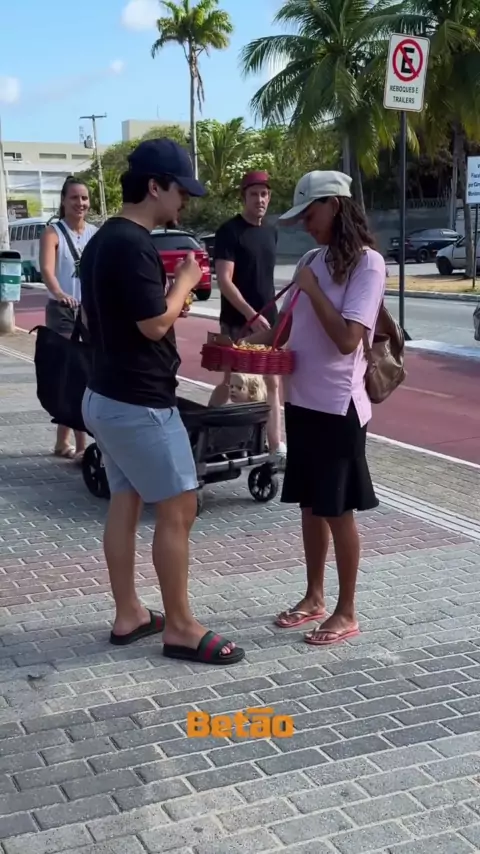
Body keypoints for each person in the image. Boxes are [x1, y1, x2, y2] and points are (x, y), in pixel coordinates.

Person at [79, 138, 244, 666]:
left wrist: (171, 298)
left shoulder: (103, 240)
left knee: (125, 500)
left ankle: (129, 613)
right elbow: (153, 324)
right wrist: (184, 283)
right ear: (155, 186)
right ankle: (180, 627)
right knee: (179, 506)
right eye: (181, 190)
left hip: (105, 394)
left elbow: (109, 316)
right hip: (140, 402)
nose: (186, 201)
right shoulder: (133, 244)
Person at [245, 170, 385, 646]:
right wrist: (244, 343)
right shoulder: (312, 259)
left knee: (337, 509)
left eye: (311, 214)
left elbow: (348, 339)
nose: (306, 225)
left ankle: (347, 611)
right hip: (302, 400)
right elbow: (285, 327)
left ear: (336, 206)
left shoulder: (368, 264)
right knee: (309, 505)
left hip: (339, 406)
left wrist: (313, 287)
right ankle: (314, 596)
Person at [212, 170, 286, 467]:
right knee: (231, 384)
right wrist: (249, 314)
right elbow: (224, 280)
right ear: (244, 197)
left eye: (264, 194)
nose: (260, 199)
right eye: (254, 194)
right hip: (238, 321)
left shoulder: (271, 232)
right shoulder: (229, 231)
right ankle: (208, 434)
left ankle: (276, 446)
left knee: (273, 383)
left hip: (268, 322)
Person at [40, 177, 97, 463]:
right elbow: (47, 270)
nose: (80, 203)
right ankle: (78, 444)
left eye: (84, 198)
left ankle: (65, 441)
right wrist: (61, 293)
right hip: (63, 311)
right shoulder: (53, 233)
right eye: (74, 197)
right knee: (72, 374)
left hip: (90, 312)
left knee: (86, 374)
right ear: (63, 201)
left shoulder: (96, 234)